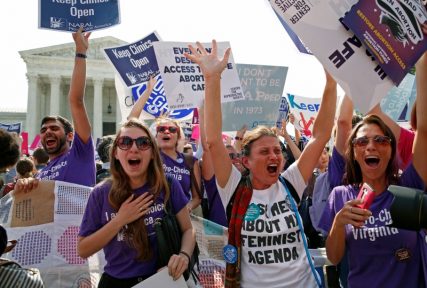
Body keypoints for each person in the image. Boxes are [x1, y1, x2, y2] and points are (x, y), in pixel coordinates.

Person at [184, 40, 337, 287]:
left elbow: (320, 136)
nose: (274, 156)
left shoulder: (290, 182)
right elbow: (212, 140)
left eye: (277, 150)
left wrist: (331, 82)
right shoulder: (233, 187)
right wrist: (212, 79)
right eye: (264, 151)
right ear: (246, 161)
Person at [318, 50, 427, 288]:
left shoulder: (407, 188)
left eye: (381, 140)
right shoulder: (342, 196)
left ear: (392, 149)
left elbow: (425, 131)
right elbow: (334, 257)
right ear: (354, 153)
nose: (371, 147)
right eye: (362, 142)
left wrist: (422, 59)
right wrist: (338, 223)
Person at [78, 118, 195, 288]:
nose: (134, 148)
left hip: (162, 280)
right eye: (125, 142)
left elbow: (188, 229)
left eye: (143, 143)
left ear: (153, 153)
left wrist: (184, 256)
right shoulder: (100, 193)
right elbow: (83, 249)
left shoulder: (167, 185)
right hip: (115, 282)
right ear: (116, 153)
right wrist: (120, 220)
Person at [16, 27, 96, 191]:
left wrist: (80, 52)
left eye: (54, 128)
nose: (47, 132)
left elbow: (76, 101)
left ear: (70, 135)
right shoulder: (40, 175)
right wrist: (23, 187)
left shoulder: (80, 154)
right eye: (43, 130)